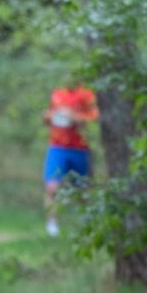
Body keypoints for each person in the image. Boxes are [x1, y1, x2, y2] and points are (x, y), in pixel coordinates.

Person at [42, 82, 99, 237]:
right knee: (52, 186)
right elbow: (47, 117)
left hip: (79, 147)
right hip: (57, 147)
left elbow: (95, 117)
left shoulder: (87, 94)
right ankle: (51, 223)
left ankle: (86, 223)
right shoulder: (57, 93)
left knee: (82, 189)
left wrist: (74, 117)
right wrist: (49, 116)